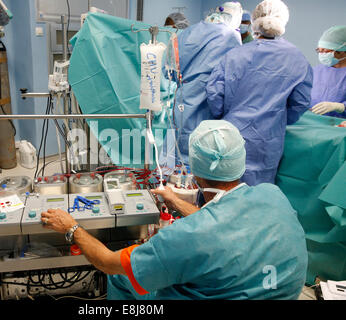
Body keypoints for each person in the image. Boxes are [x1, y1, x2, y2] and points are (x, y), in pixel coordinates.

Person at [40, 120, 308, 300]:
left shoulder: (185, 238)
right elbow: (227, 227)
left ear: (196, 170)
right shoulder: (272, 196)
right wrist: (176, 202)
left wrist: (71, 228)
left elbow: (107, 263)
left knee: (122, 280)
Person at [206, 0, 313, 186]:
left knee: (223, 194)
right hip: (267, 142)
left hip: (229, 136)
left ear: (255, 20)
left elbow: (215, 95)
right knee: (258, 197)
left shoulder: (234, 55)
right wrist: (275, 120)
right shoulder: (297, 59)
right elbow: (300, 103)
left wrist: (227, 115)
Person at [169, 2, 243, 166]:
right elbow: (233, 78)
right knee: (202, 154)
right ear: (235, 18)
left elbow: (169, 71)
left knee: (174, 151)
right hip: (207, 103)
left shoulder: (187, 32)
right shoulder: (230, 36)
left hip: (182, 99)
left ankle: (169, 184)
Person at [310, 26, 346, 119]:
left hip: (340, 127)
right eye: (319, 50)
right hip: (314, 123)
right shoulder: (316, 71)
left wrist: (341, 107)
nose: (322, 54)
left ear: (343, 52)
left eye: (326, 51)